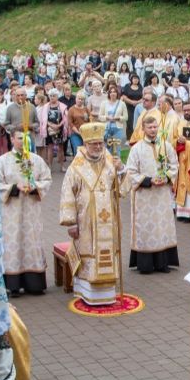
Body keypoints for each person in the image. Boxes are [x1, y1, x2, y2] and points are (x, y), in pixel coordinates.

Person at [59, 123, 126, 305]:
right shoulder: (76, 166)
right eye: (94, 144)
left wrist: (121, 170)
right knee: (87, 251)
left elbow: (121, 190)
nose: (98, 147)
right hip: (86, 220)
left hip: (108, 218)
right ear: (86, 144)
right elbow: (67, 193)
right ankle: (86, 291)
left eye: (100, 143)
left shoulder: (110, 160)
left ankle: (108, 292)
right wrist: (71, 223)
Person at [0, 130, 52, 296]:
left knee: (31, 241)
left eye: (26, 138)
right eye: (20, 138)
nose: (23, 141)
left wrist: (35, 186)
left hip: (31, 210)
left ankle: (34, 284)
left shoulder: (36, 160)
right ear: (12, 139)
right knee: (13, 243)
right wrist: (14, 187)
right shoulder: (2, 161)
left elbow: (47, 179)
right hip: (11, 212)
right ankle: (13, 285)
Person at [125, 115, 179, 274]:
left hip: (162, 195)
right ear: (143, 129)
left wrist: (167, 176)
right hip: (144, 196)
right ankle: (146, 265)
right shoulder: (137, 149)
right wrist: (149, 180)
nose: (153, 130)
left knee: (162, 227)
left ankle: (163, 263)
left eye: (155, 127)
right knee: (147, 229)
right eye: (150, 127)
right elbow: (130, 171)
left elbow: (174, 165)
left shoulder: (166, 146)